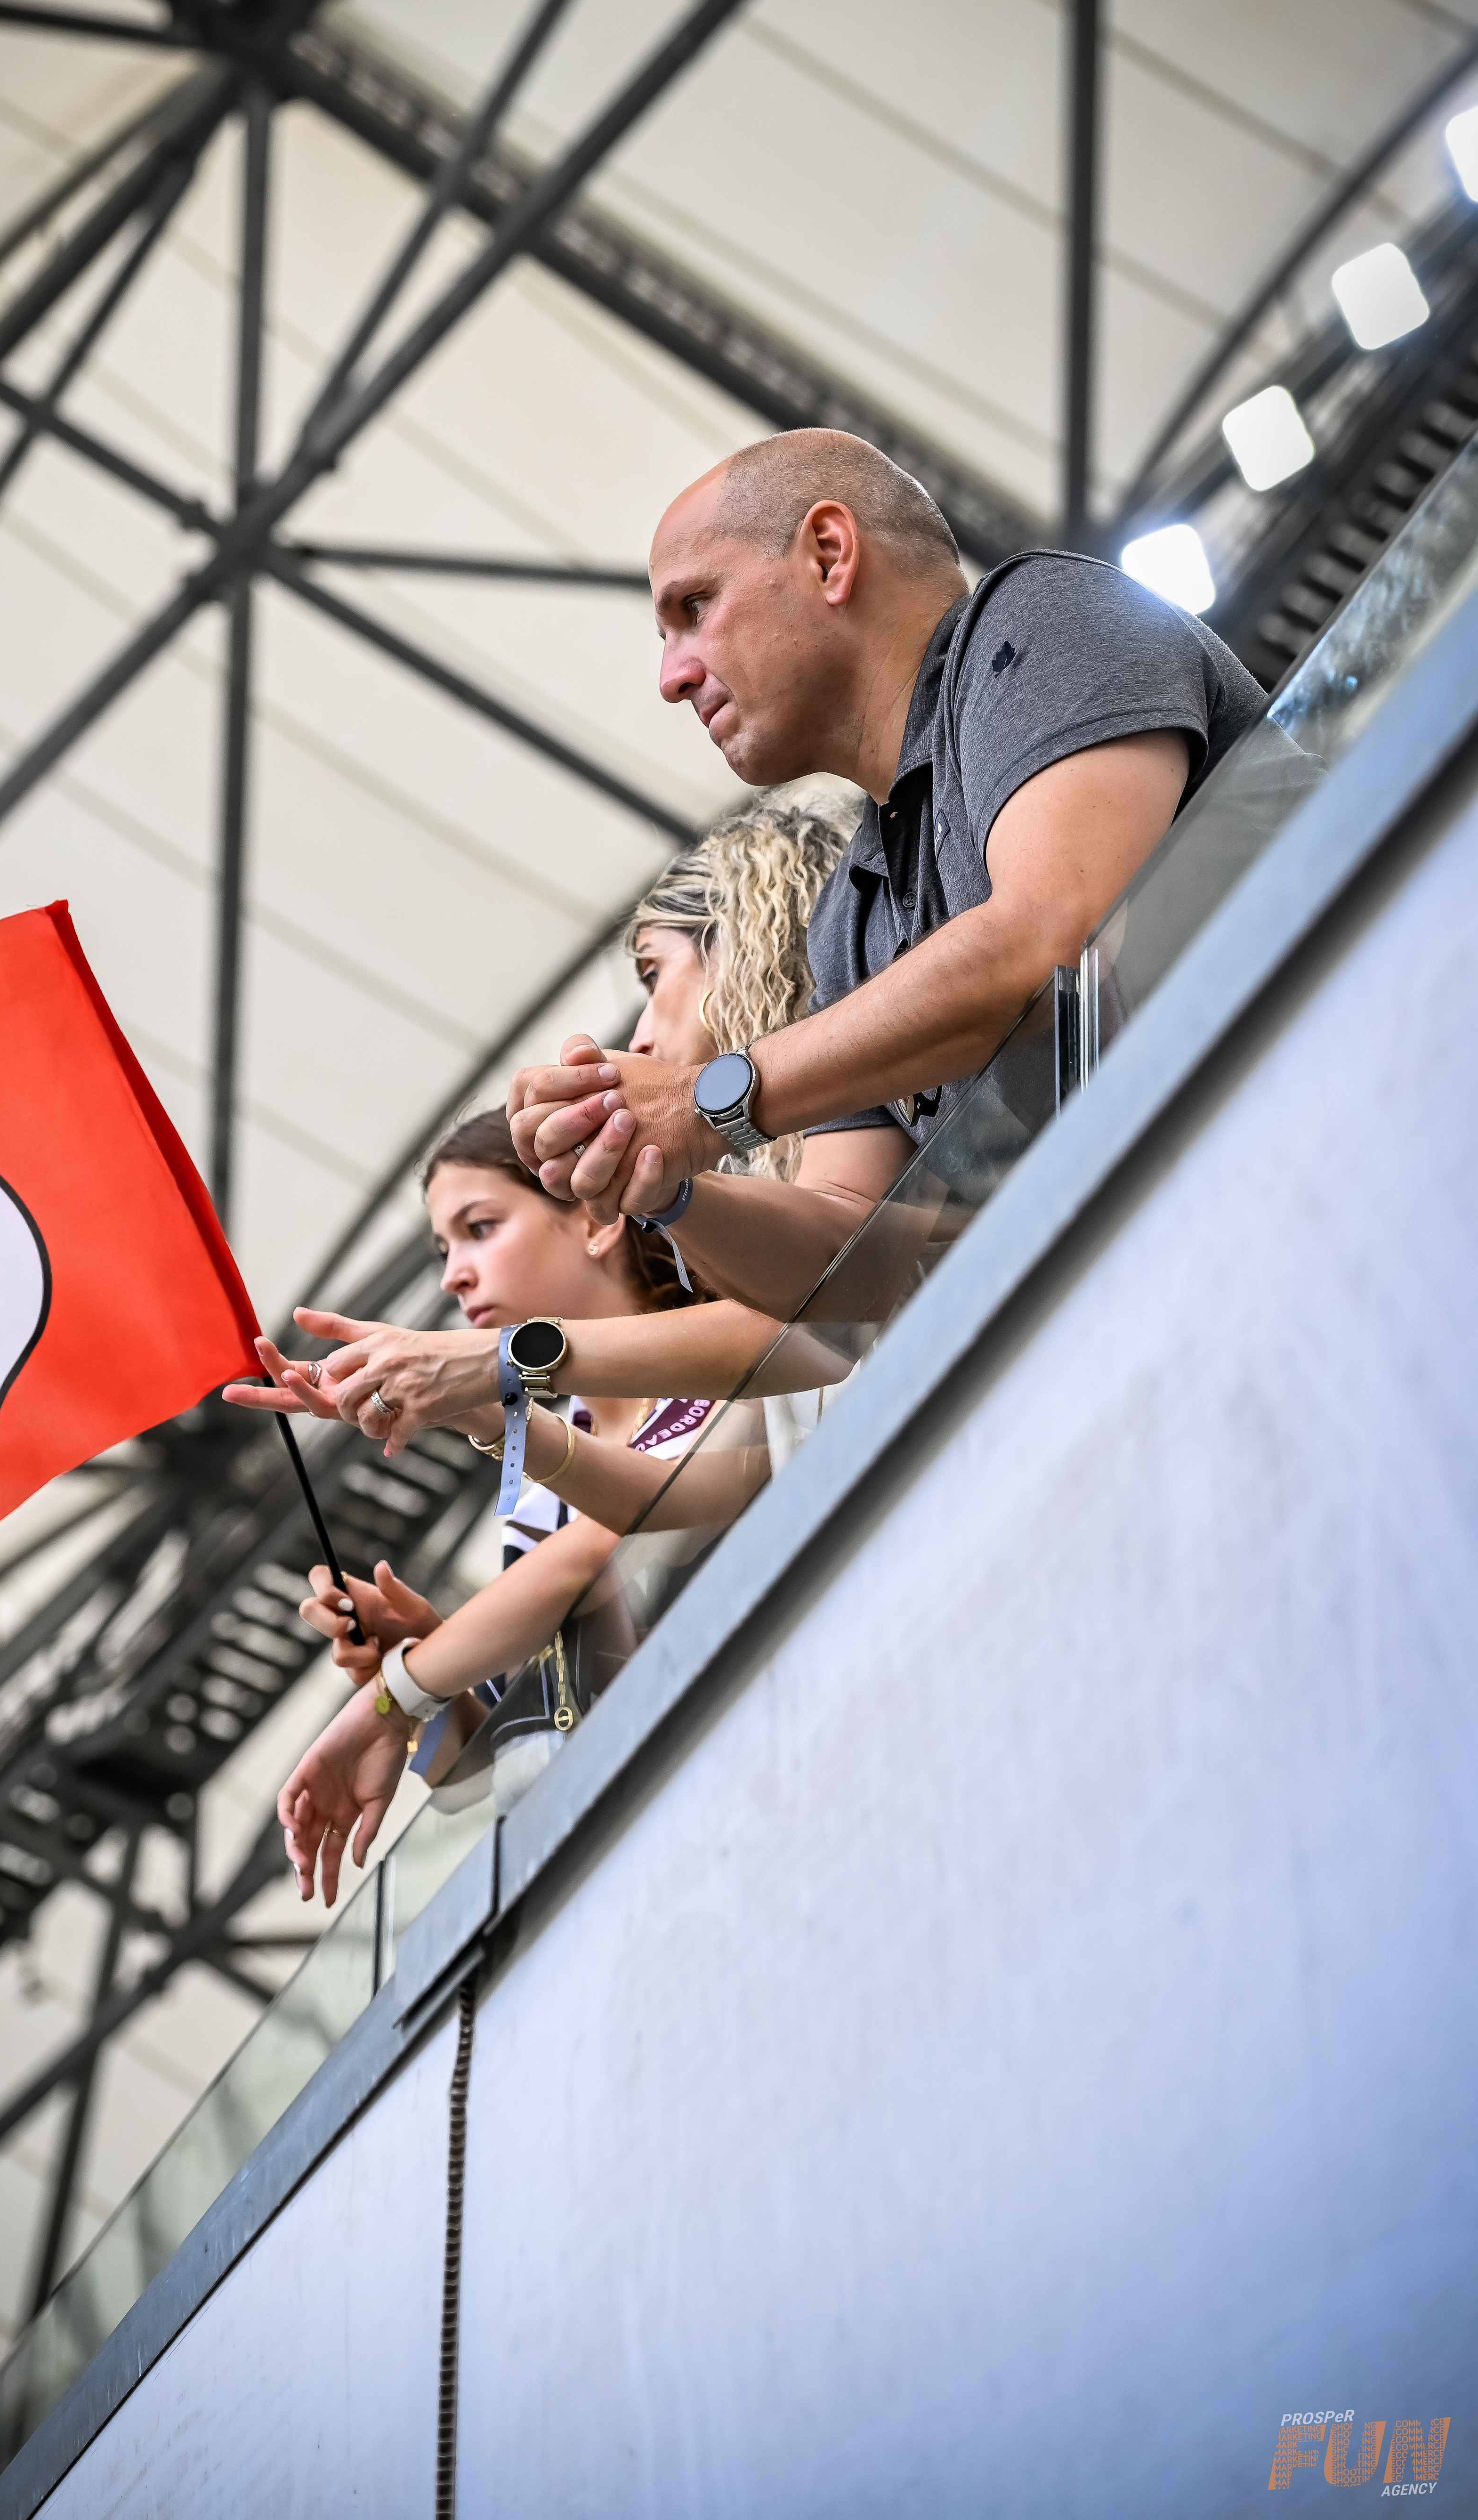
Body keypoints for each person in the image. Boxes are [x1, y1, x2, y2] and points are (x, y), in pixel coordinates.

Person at [508, 428, 1268, 1318]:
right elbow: (858, 1262)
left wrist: (706, 1099)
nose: (672, 677)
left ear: (830, 554)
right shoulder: (849, 918)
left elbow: (1053, 934)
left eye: (695, 608)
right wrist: (663, 1176)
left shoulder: (1044, 616)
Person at [223, 799, 853, 1451]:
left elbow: (807, 1322)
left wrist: (497, 1362)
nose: (636, 1039)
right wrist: (486, 1403)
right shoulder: (772, 1174)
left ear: (743, 941)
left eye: (651, 974)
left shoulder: (861, 1117)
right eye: (446, 1247)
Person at [271, 1107, 757, 1906]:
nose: (452, 1275)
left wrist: (402, 1689)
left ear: (598, 1219)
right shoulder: (538, 1498)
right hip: (641, 1876)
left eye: (480, 1228)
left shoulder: (729, 1370)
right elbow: (486, 1769)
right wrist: (425, 1673)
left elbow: (609, 1542)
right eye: (444, 1248)